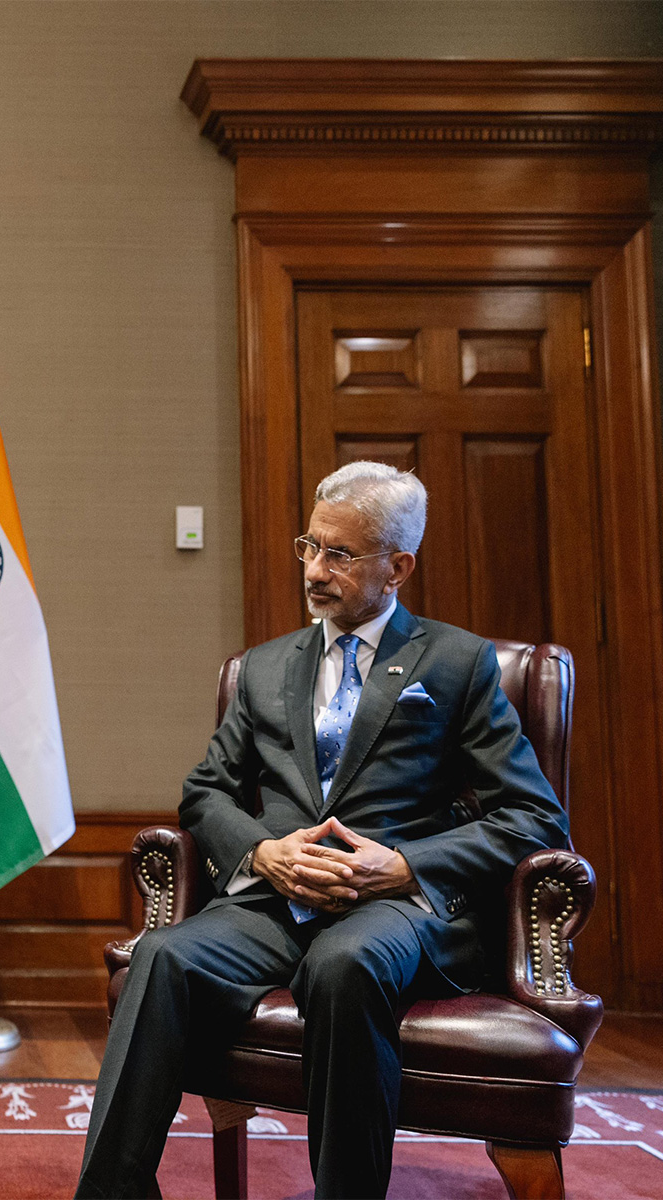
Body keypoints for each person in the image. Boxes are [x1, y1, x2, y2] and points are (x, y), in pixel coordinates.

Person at [75, 461, 569, 1200]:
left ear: (397, 566)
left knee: (343, 966)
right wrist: (262, 853)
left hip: (392, 910)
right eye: (309, 545)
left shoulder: (459, 663)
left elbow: (535, 816)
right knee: (160, 959)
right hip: (273, 902)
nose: (315, 569)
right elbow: (205, 791)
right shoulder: (265, 668)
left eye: (340, 554)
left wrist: (403, 866)